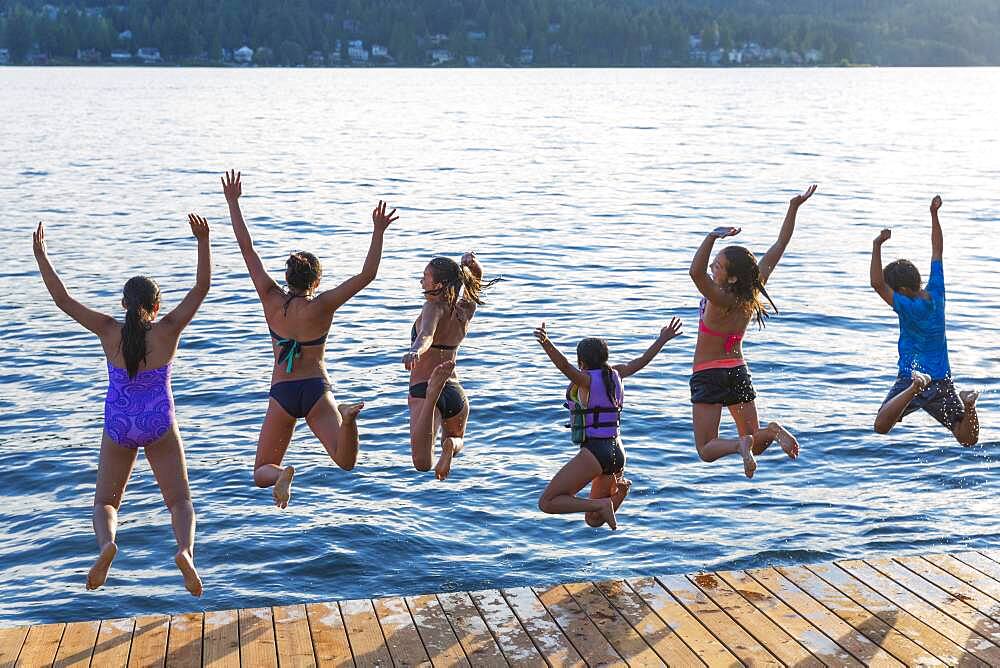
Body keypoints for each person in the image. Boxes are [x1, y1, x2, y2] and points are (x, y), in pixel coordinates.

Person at [32, 215, 210, 596]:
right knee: (179, 501)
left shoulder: (108, 330)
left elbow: (62, 300)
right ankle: (185, 552)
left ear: (124, 303)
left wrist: (42, 256)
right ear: (156, 305)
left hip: (119, 423)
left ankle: (107, 546)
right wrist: (203, 240)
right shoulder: (167, 331)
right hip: (159, 420)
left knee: (105, 503)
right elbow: (201, 287)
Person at [222, 170, 397, 507]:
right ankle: (347, 419)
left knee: (261, 472)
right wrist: (377, 231)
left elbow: (247, 249)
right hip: (317, 389)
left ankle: (281, 474)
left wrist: (233, 202)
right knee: (346, 461)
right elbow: (367, 275)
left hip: (283, 392)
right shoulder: (324, 304)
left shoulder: (270, 298)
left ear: (287, 277)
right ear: (316, 281)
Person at [688, 185, 817, 478]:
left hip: (709, 373)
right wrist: (793, 207)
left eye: (718, 266)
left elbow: (695, 272)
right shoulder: (751, 292)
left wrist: (711, 236)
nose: (712, 267)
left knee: (706, 449)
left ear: (731, 277)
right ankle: (770, 431)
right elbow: (780, 245)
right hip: (738, 371)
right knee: (758, 443)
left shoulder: (720, 298)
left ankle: (738, 446)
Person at [533, 319, 682, 529]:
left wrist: (547, 343)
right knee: (592, 520)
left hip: (596, 451)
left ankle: (603, 504)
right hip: (617, 452)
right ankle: (618, 495)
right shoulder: (617, 374)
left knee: (547, 502)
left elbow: (564, 366)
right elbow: (642, 360)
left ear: (582, 362)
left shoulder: (586, 380)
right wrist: (662, 339)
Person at [869, 195, 979, 445]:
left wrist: (877, 245)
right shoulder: (937, 292)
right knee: (967, 439)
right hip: (942, 379)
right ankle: (969, 404)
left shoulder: (907, 305)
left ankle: (913, 389)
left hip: (912, 376)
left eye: (893, 289)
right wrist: (934, 214)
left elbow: (876, 283)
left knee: (881, 426)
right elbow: (937, 249)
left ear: (903, 291)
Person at [404, 252, 495, 480]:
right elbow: (477, 281)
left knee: (422, 463)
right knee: (457, 441)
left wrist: (415, 351)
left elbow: (426, 335)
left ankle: (435, 398)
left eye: (425, 276)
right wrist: (474, 265)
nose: (421, 280)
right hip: (455, 391)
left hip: (427, 389)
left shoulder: (432, 307)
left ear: (439, 284)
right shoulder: (465, 309)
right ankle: (450, 447)